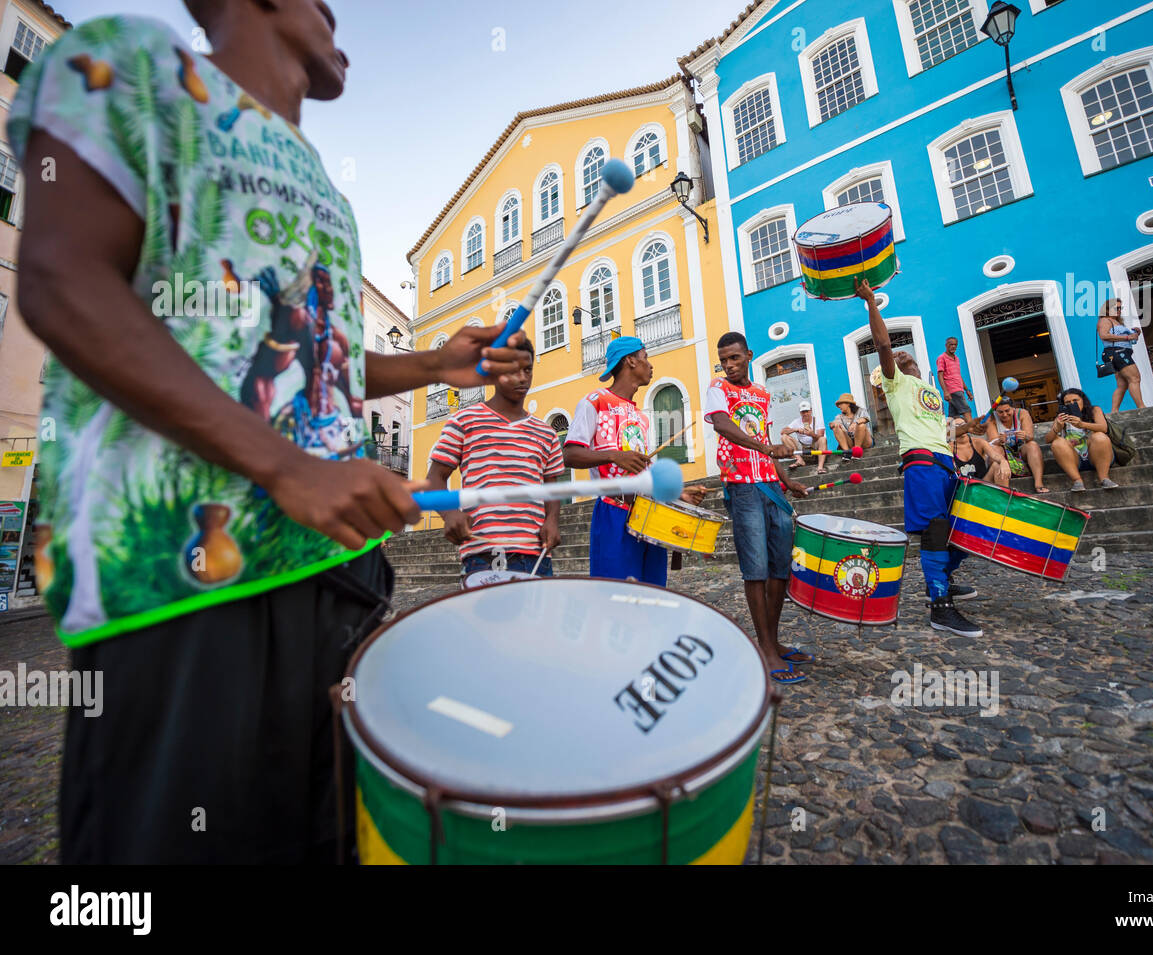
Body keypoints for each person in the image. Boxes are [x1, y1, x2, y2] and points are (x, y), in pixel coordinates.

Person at [10, 1, 531, 863]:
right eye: (323, 2)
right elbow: (63, 279)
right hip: (180, 589)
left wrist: (436, 364)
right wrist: (283, 466)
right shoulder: (127, 59)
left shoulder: (324, 185)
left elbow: (312, 356)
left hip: (335, 571)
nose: (337, 18)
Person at [854, 279, 981, 638]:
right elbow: (881, 342)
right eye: (894, 357)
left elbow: (946, 428)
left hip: (946, 463)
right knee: (935, 532)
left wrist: (976, 426)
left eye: (903, 354)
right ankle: (940, 606)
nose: (899, 354)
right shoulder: (895, 384)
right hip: (921, 463)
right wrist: (870, 303)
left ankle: (939, 579)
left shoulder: (928, 389)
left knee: (964, 531)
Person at [705, 332, 810, 684]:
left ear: (748, 355)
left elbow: (766, 442)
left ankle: (773, 641)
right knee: (756, 569)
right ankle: (764, 647)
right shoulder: (718, 388)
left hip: (772, 486)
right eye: (724, 359)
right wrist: (763, 450)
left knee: (780, 569)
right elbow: (721, 423)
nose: (729, 365)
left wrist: (787, 480)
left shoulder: (762, 394)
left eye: (735, 358)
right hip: (742, 487)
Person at [563, 336, 704, 585]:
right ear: (630, 361)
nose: (650, 365)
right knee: (616, 597)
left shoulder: (640, 416)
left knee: (652, 594)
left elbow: (642, 473)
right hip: (614, 512)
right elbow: (570, 454)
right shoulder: (595, 401)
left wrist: (677, 495)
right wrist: (613, 455)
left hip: (649, 514)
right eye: (645, 358)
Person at [427, 338, 562, 578]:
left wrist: (552, 520)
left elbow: (551, 490)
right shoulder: (463, 422)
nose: (522, 378)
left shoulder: (547, 433)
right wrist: (449, 514)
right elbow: (434, 479)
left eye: (527, 370)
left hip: (536, 555)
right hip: (482, 555)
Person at [1046, 388, 1119, 492]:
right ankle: (1077, 480)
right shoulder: (1062, 417)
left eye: (1075, 401)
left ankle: (1104, 478)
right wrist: (1056, 428)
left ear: (1083, 401)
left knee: (1099, 436)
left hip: (1097, 455)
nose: (1072, 404)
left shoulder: (1094, 410)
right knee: (1057, 442)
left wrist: (1082, 424)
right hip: (1075, 460)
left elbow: (1104, 428)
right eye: (1068, 402)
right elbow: (1047, 439)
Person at [986, 402, 1049, 494]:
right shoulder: (991, 418)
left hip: (1020, 452)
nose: (1004, 414)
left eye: (1007, 411)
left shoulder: (1022, 413)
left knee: (1032, 445)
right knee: (996, 449)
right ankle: (1003, 488)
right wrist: (1000, 440)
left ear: (1013, 408)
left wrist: (1025, 436)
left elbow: (1030, 437)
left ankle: (1039, 484)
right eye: (1000, 412)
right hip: (1003, 453)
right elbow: (993, 441)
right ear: (996, 411)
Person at [1098, 299, 1146, 413]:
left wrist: (1135, 333)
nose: (1119, 310)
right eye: (1116, 308)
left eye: (1120, 308)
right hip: (1118, 352)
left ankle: (1114, 411)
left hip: (1117, 353)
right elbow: (1104, 335)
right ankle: (1142, 407)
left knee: (1122, 384)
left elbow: (1124, 338)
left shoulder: (1116, 322)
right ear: (1107, 309)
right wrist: (1127, 337)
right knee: (1135, 378)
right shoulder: (1105, 320)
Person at [936, 337, 974, 428]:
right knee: (966, 410)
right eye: (951, 344)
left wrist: (967, 390)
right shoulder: (942, 358)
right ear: (946, 345)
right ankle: (974, 431)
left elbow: (958, 375)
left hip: (959, 389)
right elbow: (940, 375)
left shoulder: (956, 358)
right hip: (952, 389)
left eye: (955, 345)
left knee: (953, 416)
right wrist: (945, 391)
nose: (953, 346)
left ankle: (951, 438)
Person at [781, 400, 829, 474]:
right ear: (800, 413)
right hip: (802, 446)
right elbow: (782, 432)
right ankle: (799, 459)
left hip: (815, 445)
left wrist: (812, 434)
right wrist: (795, 429)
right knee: (784, 437)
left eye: (807, 411)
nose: (805, 414)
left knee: (822, 439)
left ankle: (820, 467)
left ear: (811, 411)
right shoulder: (796, 421)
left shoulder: (818, 420)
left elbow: (820, 436)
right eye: (803, 412)